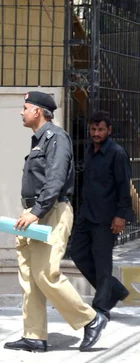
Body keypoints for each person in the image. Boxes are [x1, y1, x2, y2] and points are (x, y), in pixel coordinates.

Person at [4, 91, 107, 353]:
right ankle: (34, 336)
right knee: (29, 276)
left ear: (37, 111)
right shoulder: (39, 140)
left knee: (46, 273)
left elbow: (55, 180)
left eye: (25, 107)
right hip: (34, 213)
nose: (21, 112)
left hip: (49, 212)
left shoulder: (56, 138)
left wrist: (36, 211)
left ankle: (91, 319)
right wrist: (30, 211)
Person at [69, 111, 131, 320]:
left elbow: (124, 187)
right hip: (86, 214)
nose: (96, 133)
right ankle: (115, 290)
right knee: (77, 253)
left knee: (102, 262)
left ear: (109, 130)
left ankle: (101, 307)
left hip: (106, 217)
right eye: (93, 129)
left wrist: (120, 216)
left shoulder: (117, 153)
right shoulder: (88, 151)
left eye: (100, 129)